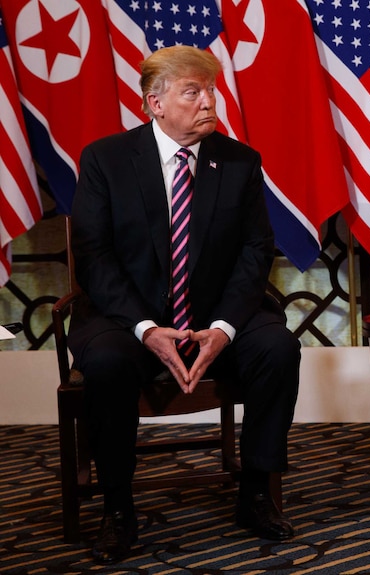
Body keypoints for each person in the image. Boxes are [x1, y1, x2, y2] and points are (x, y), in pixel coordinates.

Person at [69, 45, 301, 565]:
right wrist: (147, 327)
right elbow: (94, 257)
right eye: (192, 92)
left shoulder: (239, 161)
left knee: (278, 349)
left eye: (212, 90)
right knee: (105, 364)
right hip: (127, 317)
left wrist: (222, 327)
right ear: (155, 103)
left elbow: (254, 251)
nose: (208, 102)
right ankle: (119, 505)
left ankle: (256, 490)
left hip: (214, 314)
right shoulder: (106, 160)